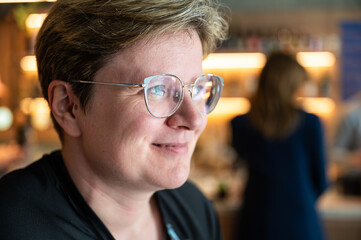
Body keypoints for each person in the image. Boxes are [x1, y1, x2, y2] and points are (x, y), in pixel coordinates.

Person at [0, 1, 228, 239]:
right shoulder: (15, 226)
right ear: (68, 106)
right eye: (158, 89)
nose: (195, 120)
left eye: (196, 88)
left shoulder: (194, 209)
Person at [230, 52, 328, 240]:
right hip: (300, 220)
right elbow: (321, 182)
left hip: (256, 218)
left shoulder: (240, 124)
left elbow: (238, 165)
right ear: (291, 85)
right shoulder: (310, 123)